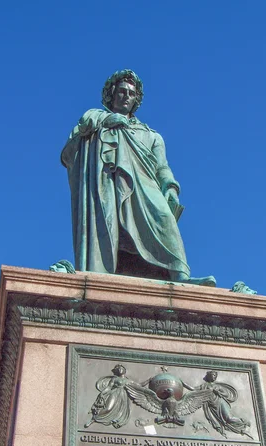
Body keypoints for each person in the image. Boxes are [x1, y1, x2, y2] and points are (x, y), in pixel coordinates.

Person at [61, 69, 215, 286]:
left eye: (131, 93)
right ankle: (102, 276)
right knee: (107, 224)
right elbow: (72, 148)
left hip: (144, 186)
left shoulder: (151, 135)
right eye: (121, 91)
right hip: (108, 186)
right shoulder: (96, 120)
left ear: (136, 100)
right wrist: (105, 120)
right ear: (112, 94)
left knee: (164, 217)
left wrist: (171, 188)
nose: (126, 96)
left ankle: (181, 276)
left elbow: (162, 167)